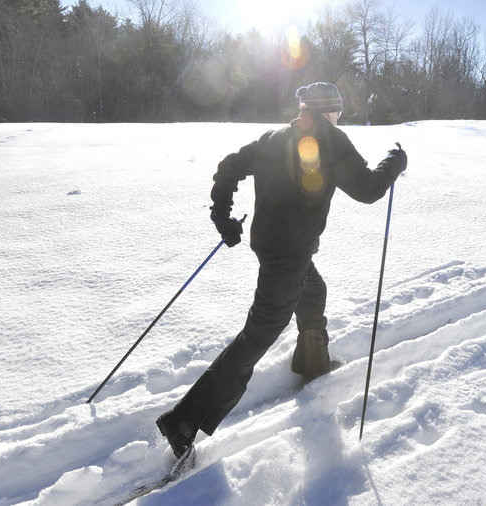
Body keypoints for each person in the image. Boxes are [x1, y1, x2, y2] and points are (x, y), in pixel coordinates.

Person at [156, 82, 407, 459]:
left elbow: (229, 167)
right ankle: (183, 422)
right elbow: (369, 189)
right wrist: (395, 162)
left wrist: (221, 214)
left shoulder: (275, 137)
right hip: (287, 256)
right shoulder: (331, 140)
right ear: (328, 111)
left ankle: (312, 364)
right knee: (257, 336)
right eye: (337, 110)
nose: (339, 116)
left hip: (276, 247)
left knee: (313, 293)